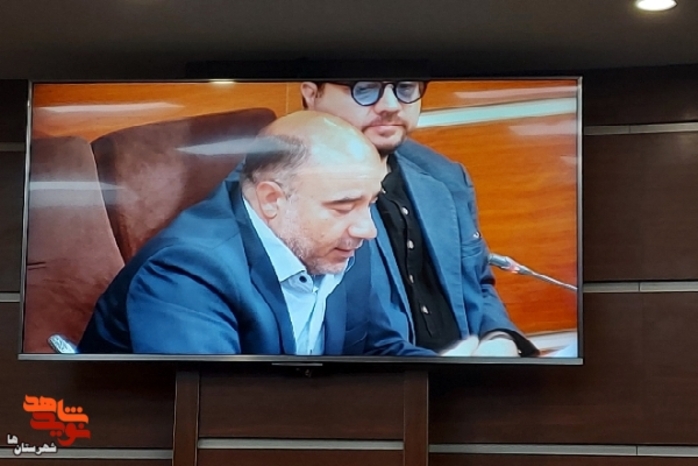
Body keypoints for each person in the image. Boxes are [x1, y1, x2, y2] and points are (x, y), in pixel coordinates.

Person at [77, 111, 435, 357]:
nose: (367, 229)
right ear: (272, 200)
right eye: (343, 206)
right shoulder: (187, 271)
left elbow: (379, 350)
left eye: (370, 202)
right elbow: (213, 415)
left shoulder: (342, 241)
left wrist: (454, 382)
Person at [300, 81, 538, 357]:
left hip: (470, 372)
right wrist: (431, 368)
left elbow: (477, 282)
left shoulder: (446, 176)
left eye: (405, 87)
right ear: (312, 94)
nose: (391, 106)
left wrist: (499, 337)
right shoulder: (288, 190)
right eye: (365, 89)